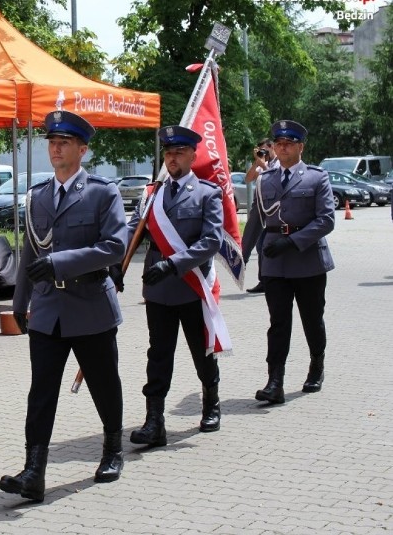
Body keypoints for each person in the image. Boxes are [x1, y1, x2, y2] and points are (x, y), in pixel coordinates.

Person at [0, 110, 127, 502]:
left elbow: (115, 247)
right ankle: (34, 471)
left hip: (90, 306)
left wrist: (59, 262)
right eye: (52, 142)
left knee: (104, 385)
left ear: (82, 150)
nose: (55, 149)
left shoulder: (103, 192)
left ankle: (112, 450)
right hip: (49, 310)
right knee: (41, 392)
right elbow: (30, 251)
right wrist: (19, 302)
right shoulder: (37, 195)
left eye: (64, 143)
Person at [126, 125, 226, 448]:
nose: (172, 157)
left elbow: (211, 240)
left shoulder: (207, 193)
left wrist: (173, 263)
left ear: (193, 155)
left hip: (190, 285)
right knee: (158, 355)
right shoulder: (151, 194)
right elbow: (132, 231)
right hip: (158, 290)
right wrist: (115, 264)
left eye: (179, 152)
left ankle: (211, 402)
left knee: (201, 351)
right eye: (168, 152)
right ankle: (154, 421)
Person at [243, 120, 335, 403]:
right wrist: (241, 257)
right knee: (278, 323)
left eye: (288, 143)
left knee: (311, 319)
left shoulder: (317, 177)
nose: (282, 147)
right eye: (278, 143)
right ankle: (275, 381)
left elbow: (326, 220)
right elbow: (256, 220)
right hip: (275, 263)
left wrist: (293, 241)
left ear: (300, 147)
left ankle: (316, 366)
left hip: (307, 260)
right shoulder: (265, 179)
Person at [242, 138, 278, 294]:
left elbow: (275, 179)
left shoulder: (277, 164)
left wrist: (262, 163)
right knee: (257, 244)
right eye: (260, 151)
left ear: (272, 147)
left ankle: (267, 280)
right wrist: (257, 163)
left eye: (264, 150)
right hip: (258, 206)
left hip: (271, 208)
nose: (263, 153)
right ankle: (263, 280)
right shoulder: (263, 164)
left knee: (264, 245)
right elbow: (248, 179)